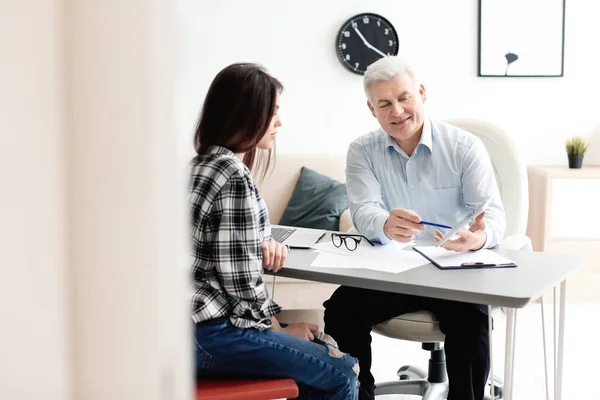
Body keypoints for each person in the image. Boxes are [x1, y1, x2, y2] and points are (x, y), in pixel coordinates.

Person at [323, 56, 507, 400]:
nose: (397, 111)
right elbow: (363, 210)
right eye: (384, 103)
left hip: (452, 272)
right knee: (341, 311)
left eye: (404, 97)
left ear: (421, 93)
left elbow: (493, 214)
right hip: (394, 268)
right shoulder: (362, 150)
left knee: (471, 322)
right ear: (371, 109)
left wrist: (478, 237)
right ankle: (357, 394)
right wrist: (384, 224)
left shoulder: (465, 148)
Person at [190, 63, 359, 400]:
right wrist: (281, 329)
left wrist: (261, 240)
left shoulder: (200, 165)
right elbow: (241, 285)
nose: (279, 121)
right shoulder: (234, 177)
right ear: (245, 113)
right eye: (273, 111)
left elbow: (216, 244)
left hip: (188, 329)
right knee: (342, 370)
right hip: (214, 333)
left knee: (319, 357)